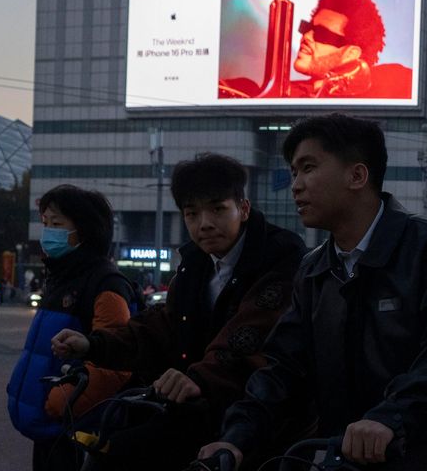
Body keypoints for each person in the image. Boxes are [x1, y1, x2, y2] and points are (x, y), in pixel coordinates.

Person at [199, 114, 427, 470]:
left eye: (308, 167)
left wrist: (392, 419)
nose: (296, 184)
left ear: (357, 175)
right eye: (294, 172)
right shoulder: (313, 269)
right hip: (346, 445)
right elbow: (284, 369)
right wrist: (236, 438)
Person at [50, 153, 307, 470]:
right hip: (202, 409)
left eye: (217, 209)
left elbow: (250, 330)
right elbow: (162, 325)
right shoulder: (195, 263)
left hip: (261, 417)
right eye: (191, 213)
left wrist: (196, 378)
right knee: (103, 443)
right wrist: (94, 344)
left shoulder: (281, 253)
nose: (205, 223)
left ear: (243, 207)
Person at [7, 185, 137, 471]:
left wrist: (60, 406)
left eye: (57, 224)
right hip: (50, 432)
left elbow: (114, 363)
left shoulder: (105, 285)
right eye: (45, 224)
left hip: (75, 432)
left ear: (84, 230)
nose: (48, 232)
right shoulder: (62, 278)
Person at [289, 0, 413, 99]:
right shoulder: (286, 93)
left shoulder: (391, 82)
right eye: (306, 28)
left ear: (350, 54)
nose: (306, 37)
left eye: (322, 34)